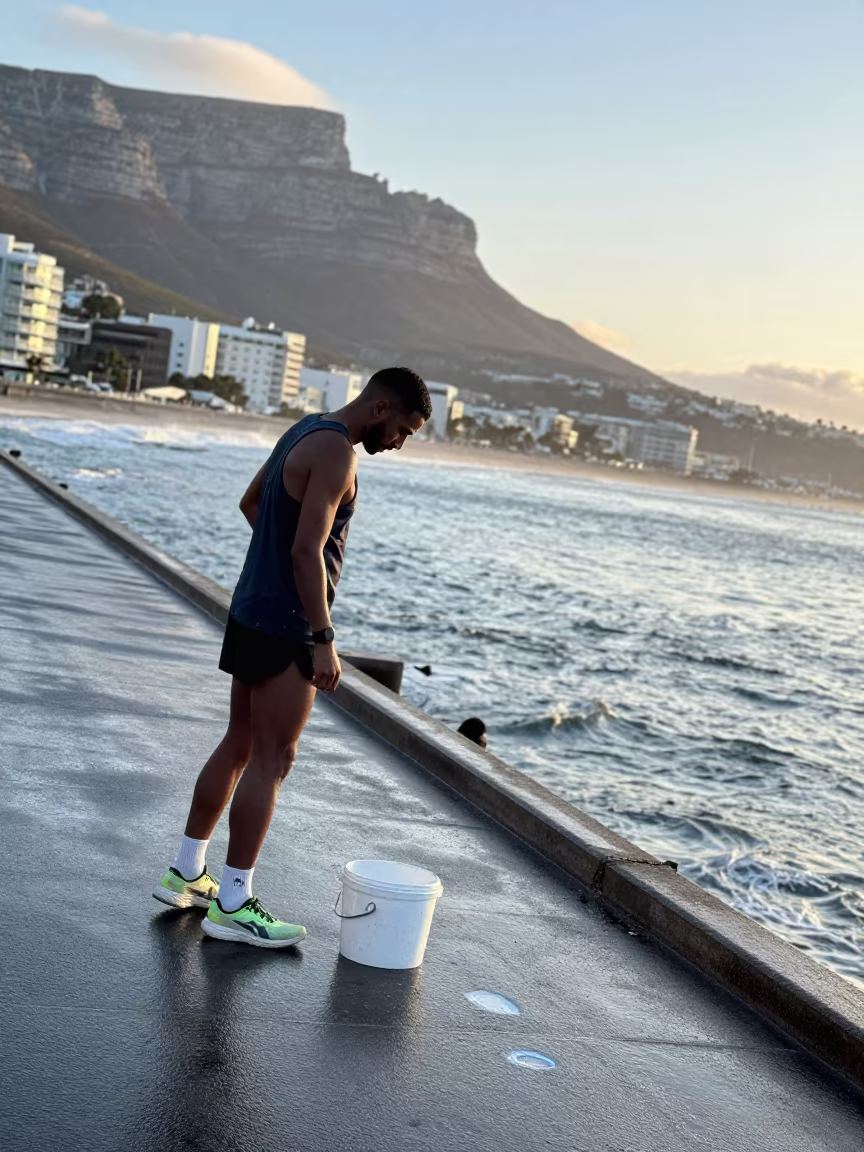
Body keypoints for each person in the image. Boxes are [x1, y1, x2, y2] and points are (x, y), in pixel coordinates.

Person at [153, 367, 432, 947]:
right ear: (380, 408)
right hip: (289, 626)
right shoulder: (338, 454)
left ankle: (186, 870)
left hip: (251, 607)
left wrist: (277, 567)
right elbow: (308, 550)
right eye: (403, 429)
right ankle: (233, 901)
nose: (400, 444)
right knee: (273, 759)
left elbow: (252, 502)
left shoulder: (304, 430)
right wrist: (322, 636)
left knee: (239, 742)